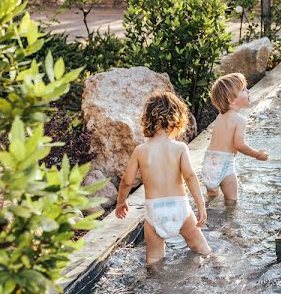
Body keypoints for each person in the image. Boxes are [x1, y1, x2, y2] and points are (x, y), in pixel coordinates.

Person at [115, 91, 211, 265]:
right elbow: (189, 176)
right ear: (177, 120)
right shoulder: (180, 148)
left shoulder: (141, 151)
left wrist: (121, 202)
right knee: (202, 250)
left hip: (154, 211)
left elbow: (127, 181)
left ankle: (158, 287)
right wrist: (201, 205)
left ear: (147, 120)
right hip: (180, 208)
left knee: (154, 260)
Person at [202, 73, 269, 202]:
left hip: (209, 162)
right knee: (231, 202)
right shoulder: (240, 120)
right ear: (231, 100)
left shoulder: (219, 118)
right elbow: (239, 145)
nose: (248, 90)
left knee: (211, 199)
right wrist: (257, 154)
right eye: (244, 89)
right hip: (224, 163)